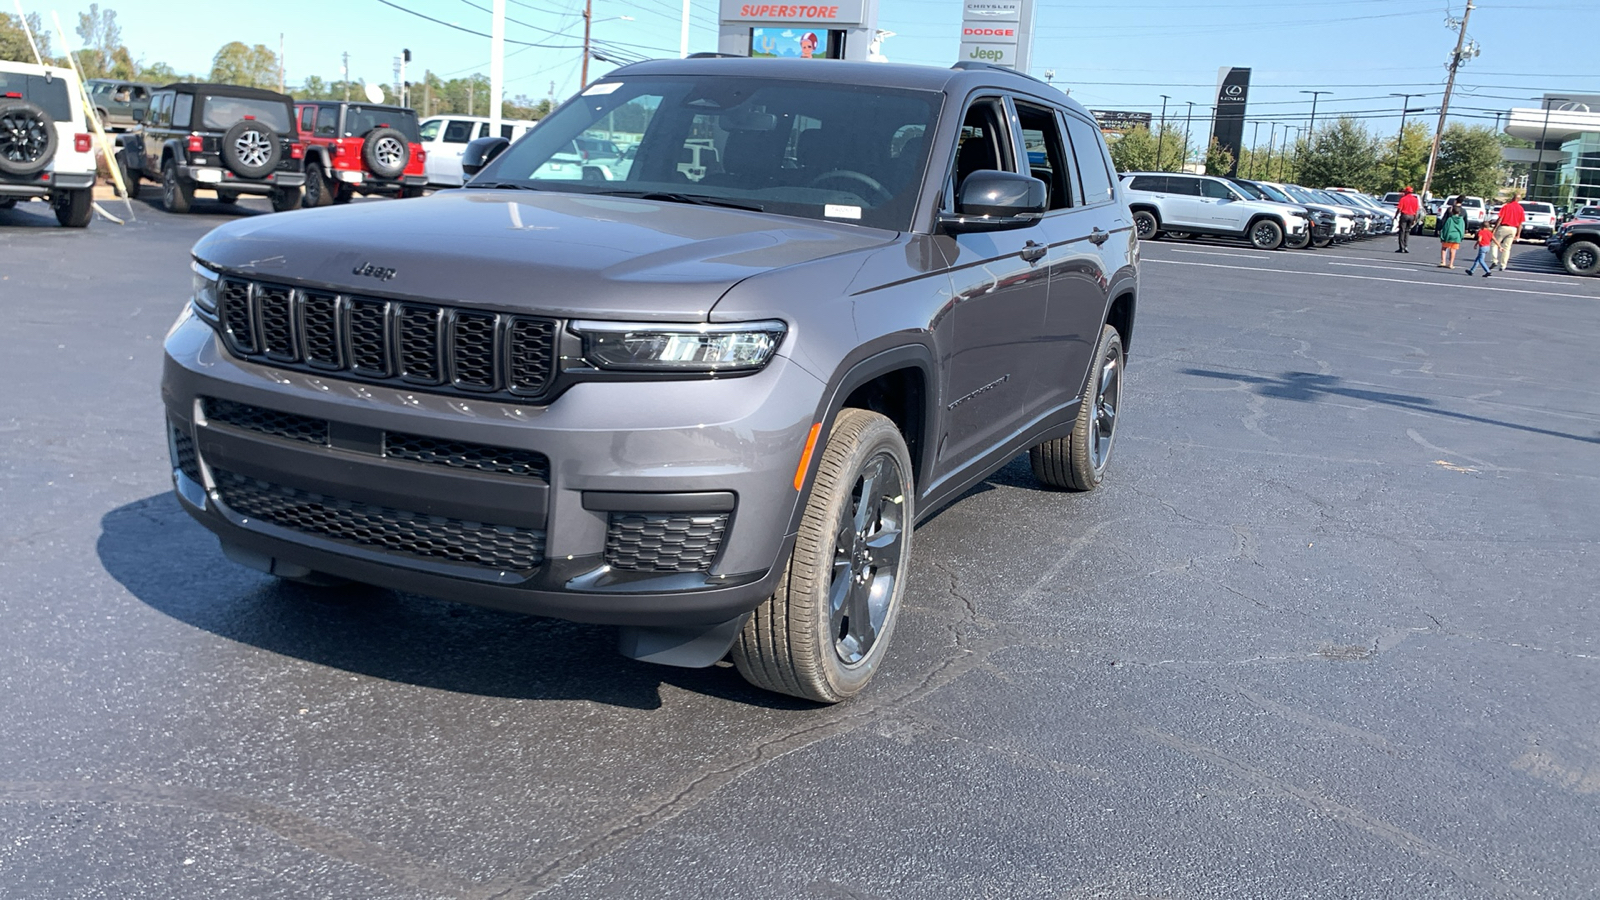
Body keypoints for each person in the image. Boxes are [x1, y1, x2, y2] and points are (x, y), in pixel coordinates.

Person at [1492, 192, 1525, 270]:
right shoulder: (1521, 209)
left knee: (1494, 244)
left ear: (1513, 198)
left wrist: (1495, 229)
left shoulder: (1506, 206)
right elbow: (1520, 223)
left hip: (1504, 227)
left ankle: (1494, 260)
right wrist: (1518, 234)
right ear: (1519, 200)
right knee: (1507, 248)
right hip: (1513, 229)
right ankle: (1503, 265)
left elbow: (1500, 218)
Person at [1437, 198, 1466, 268]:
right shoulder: (1461, 220)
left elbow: (1446, 228)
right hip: (1456, 236)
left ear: (1452, 212)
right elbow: (1462, 229)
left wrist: (1442, 235)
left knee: (1444, 248)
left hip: (1449, 235)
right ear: (1459, 213)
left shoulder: (1450, 219)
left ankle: (1443, 261)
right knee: (1453, 250)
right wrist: (1461, 236)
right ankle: (1451, 264)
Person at [1395, 186, 1421, 252]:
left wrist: (1396, 215)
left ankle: (1402, 247)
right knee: (1407, 231)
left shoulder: (1403, 199)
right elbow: (1416, 211)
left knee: (1402, 231)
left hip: (1404, 215)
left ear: (1406, 192)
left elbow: (1399, 208)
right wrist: (1415, 219)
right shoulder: (1415, 200)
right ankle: (1406, 246)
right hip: (1412, 216)